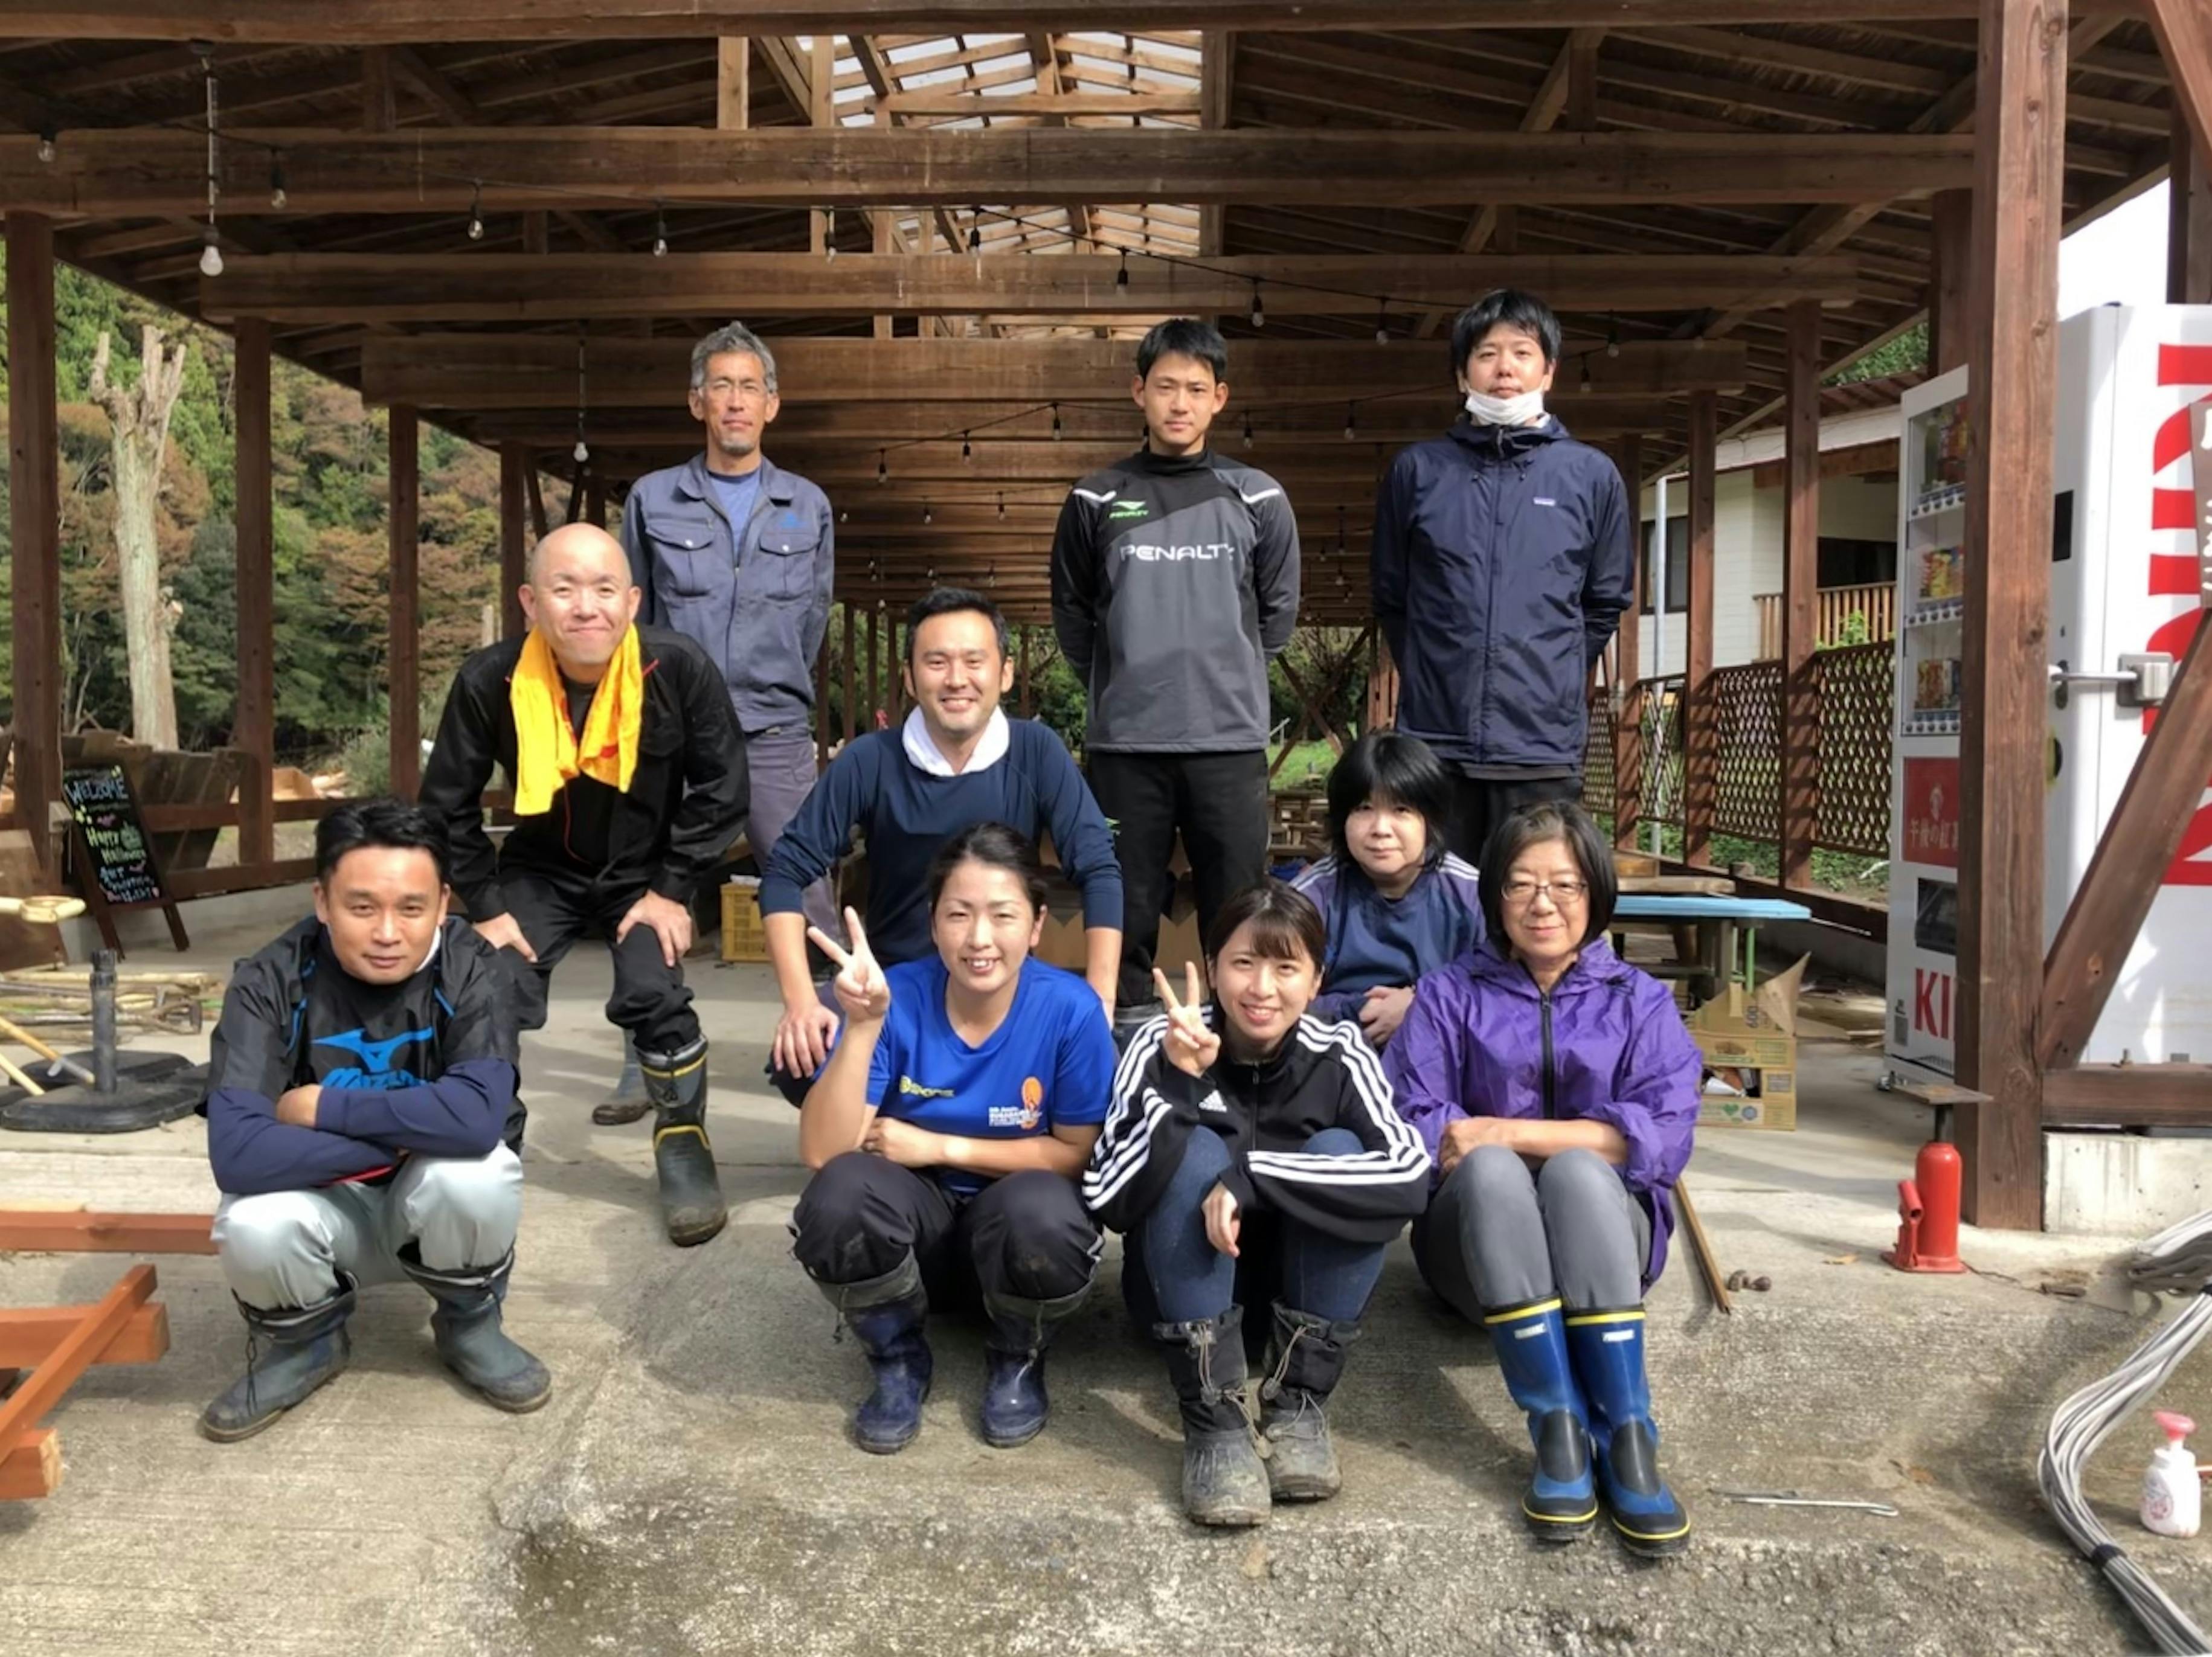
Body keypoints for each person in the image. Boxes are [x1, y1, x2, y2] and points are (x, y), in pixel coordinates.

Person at [417, 521, 748, 1248]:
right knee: (489, 985)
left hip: (646, 872)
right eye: (564, 589)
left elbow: (723, 788)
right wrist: (486, 906)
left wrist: (673, 886)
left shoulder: (676, 668)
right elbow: (445, 805)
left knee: (653, 993)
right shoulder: (490, 679)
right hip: (540, 869)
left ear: (632, 601)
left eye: (603, 588)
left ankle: (683, 1139)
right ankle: (490, 1144)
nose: (585, 606)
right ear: (530, 602)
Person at [1384, 801, 1699, 1556]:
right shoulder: (1448, 995)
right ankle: (1555, 1425)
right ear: (1494, 893)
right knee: (1496, 1169)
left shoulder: (1640, 1001)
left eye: (1564, 883)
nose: (1542, 902)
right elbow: (1414, 1121)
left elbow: (1662, 1134)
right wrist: (1499, 1146)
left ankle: (1627, 1432)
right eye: (1521, 883)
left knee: (1578, 1174)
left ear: (1594, 892)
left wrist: (1506, 1131)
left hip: (1605, 1254)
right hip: (1474, 1260)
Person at [198, 798, 549, 1441]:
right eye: (362, 907)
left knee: (478, 1171)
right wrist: (409, 1138)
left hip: (430, 1200)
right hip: (325, 1201)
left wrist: (320, 1106)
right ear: (322, 901)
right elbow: (238, 1152)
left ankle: (469, 1325)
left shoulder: (476, 968)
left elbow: (477, 1119)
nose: (388, 932)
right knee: (252, 1220)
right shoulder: (267, 979)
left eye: (411, 908)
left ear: (443, 904)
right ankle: (306, 1344)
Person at [1084, 882, 1430, 1528]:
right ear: (1212, 966)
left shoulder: (1338, 1051)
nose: (1262, 988)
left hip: (1295, 1299)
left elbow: (1410, 1174)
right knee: (1193, 1151)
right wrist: (1179, 1086)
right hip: (1176, 1297)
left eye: (1286, 967)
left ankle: (1299, 1404)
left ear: (1316, 979)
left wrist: (1253, 1177)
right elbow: (1108, 1194)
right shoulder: (1160, 1039)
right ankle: (1213, 1421)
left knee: (1340, 1150)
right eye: (1243, 963)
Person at [790, 824, 1116, 1454]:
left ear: (1036, 924)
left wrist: (940, 1147)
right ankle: (896, 1357)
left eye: (1002, 915)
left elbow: (1077, 1153)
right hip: (917, 1247)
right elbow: (822, 1152)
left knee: (1045, 1210)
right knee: (839, 1193)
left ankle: (1018, 1355)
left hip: (1015, 1244)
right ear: (933, 923)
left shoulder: (1070, 1011)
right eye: (958, 914)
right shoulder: (895, 998)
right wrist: (863, 1025)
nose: (979, 938)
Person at [760, 587, 1122, 1100]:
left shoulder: (1037, 752)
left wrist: (1100, 999)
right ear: (910, 678)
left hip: (1004, 984)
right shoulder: (871, 760)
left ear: (1005, 673)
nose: (956, 679)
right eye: (937, 662)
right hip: (895, 988)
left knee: (1094, 1077)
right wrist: (799, 1001)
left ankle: (922, 1123)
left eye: (974, 661)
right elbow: (784, 871)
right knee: (801, 1059)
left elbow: (1099, 868)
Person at [608, 321, 835, 1126]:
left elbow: (813, 618)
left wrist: (776, 685)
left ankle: (835, 1050)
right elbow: (632, 618)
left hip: (775, 731)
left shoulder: (806, 504)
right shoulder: (652, 498)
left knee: (809, 889)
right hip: (675, 732)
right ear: (696, 402)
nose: (735, 402)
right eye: (721, 388)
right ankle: (645, 1061)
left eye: (749, 388)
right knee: (649, 893)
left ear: (771, 405)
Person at [1050, 318, 1300, 1033]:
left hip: (1227, 744)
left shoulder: (1256, 497)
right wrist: (1120, 682)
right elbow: (1072, 614)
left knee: (1237, 904)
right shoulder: (1096, 498)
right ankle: (1123, 1041)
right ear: (1139, 391)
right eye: (1165, 387)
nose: (1179, 403)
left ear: (1219, 398)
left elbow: (1276, 615)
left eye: (1195, 388)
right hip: (1125, 747)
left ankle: (1238, 1040)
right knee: (1122, 904)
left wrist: (1227, 676)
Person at [1372, 288, 1635, 865]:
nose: (1505, 369)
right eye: (1487, 354)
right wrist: (1434, 672)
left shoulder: (1590, 475)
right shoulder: (1418, 471)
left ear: (1550, 370)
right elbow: (1392, 597)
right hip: (1436, 743)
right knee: (1439, 895)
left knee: (1534, 895)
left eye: (1522, 352)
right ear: (1462, 373)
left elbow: (1605, 600)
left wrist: (1555, 674)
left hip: (1540, 744)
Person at [1288, 731, 1484, 1050]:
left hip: (1445, 1056)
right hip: (1332, 1057)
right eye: (1364, 808)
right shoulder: (1309, 898)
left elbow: (1501, 995)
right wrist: (1359, 1011)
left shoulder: (1473, 896)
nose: (1381, 829)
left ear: (1430, 819)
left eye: (1401, 810)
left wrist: (1422, 1005)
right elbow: (1279, 997)